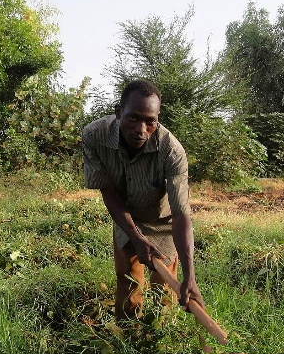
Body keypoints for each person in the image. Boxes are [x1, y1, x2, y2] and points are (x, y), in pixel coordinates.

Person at [82, 79, 204, 321]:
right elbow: (109, 193)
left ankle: (160, 334)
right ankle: (129, 334)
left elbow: (181, 214)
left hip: (163, 220)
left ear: (158, 119)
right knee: (127, 279)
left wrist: (190, 276)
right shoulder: (95, 136)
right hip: (125, 216)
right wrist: (137, 238)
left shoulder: (172, 151)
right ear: (118, 113)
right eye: (133, 118)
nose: (141, 129)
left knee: (165, 289)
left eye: (151, 121)